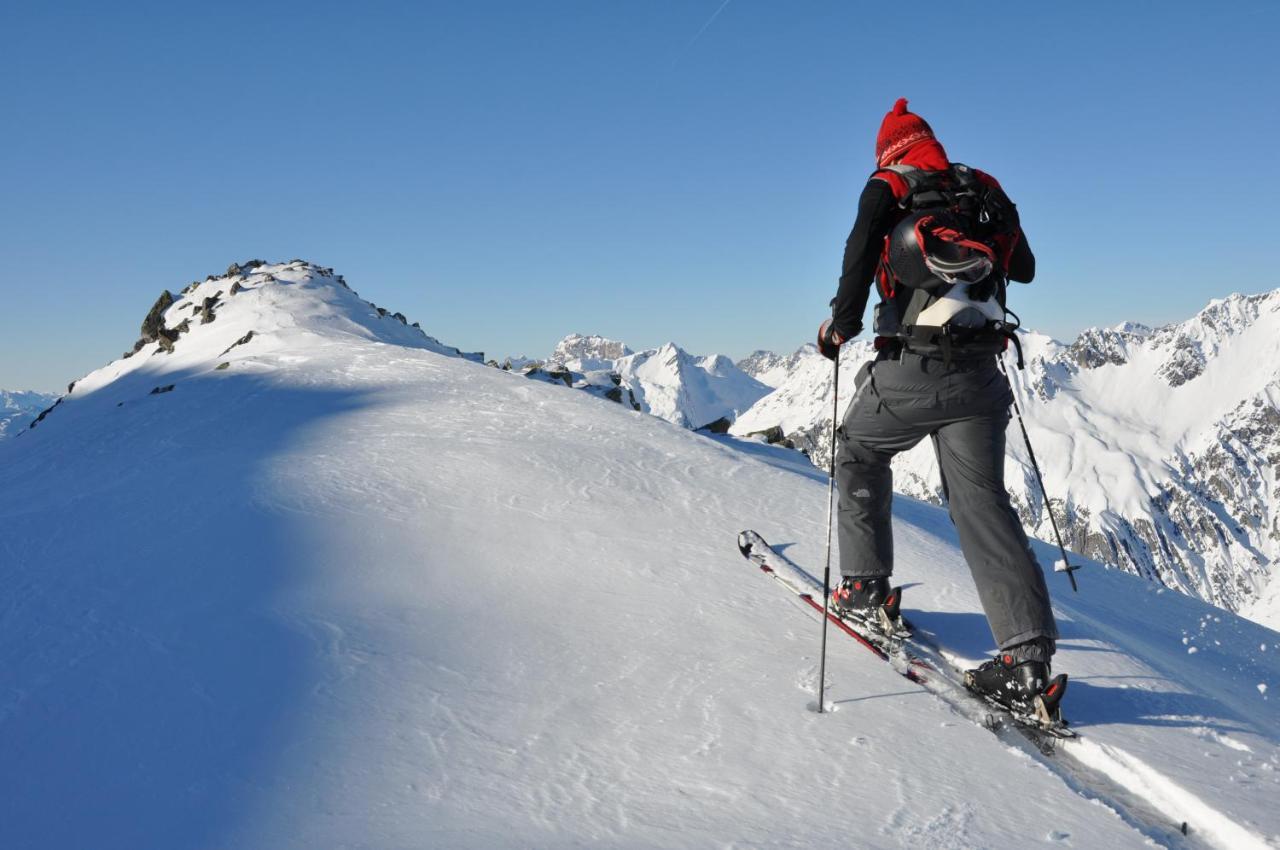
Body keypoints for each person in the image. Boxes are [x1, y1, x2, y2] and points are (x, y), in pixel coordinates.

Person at [816, 98, 1064, 721]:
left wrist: (839, 327)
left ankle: (865, 585)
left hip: (912, 370)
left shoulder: (889, 186)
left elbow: (855, 260)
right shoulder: (981, 186)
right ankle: (1026, 661)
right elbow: (1026, 269)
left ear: (888, 148)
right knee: (983, 504)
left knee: (860, 451)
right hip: (982, 376)